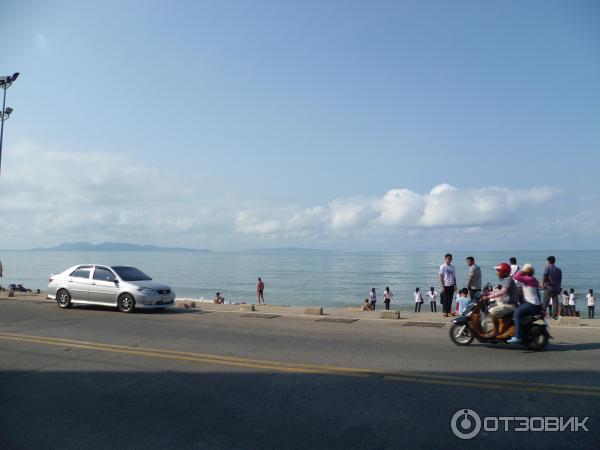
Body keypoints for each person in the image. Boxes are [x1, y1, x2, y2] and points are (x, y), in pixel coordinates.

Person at [507, 264, 542, 344]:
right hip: (532, 303)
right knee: (516, 311)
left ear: (526, 271)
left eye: (524, 270)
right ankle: (522, 331)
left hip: (531, 304)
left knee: (516, 314)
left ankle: (518, 336)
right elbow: (537, 293)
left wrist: (522, 270)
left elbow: (516, 276)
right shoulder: (532, 279)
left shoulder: (529, 279)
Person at [484, 262, 519, 337]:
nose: (497, 273)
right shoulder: (506, 279)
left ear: (503, 272)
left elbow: (503, 291)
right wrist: (488, 294)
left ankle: (496, 331)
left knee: (492, 311)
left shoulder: (508, 279)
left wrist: (489, 296)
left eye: (498, 271)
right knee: (489, 307)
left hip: (510, 305)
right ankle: (500, 326)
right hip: (506, 303)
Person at [439, 253, 457, 317]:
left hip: (451, 285)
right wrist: (442, 286)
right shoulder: (443, 266)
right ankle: (445, 312)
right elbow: (441, 277)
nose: (450, 260)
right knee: (445, 299)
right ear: (445, 259)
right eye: (449, 258)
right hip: (446, 285)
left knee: (450, 299)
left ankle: (449, 311)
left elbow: (454, 276)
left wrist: (455, 285)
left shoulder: (453, 267)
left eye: (451, 258)